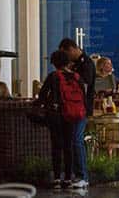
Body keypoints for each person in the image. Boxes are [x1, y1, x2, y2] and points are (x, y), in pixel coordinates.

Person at [36, 50, 82, 189]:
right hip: (72, 114)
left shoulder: (53, 76)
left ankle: (57, 178)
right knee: (68, 146)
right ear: (68, 62)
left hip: (56, 114)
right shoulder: (76, 77)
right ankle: (68, 178)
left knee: (57, 146)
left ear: (54, 63)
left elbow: (42, 95)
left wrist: (36, 107)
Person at [60, 38, 93, 189]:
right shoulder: (76, 65)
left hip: (81, 109)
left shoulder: (86, 64)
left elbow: (83, 85)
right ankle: (74, 174)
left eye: (66, 53)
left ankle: (82, 176)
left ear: (72, 49)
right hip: (72, 108)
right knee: (71, 140)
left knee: (76, 140)